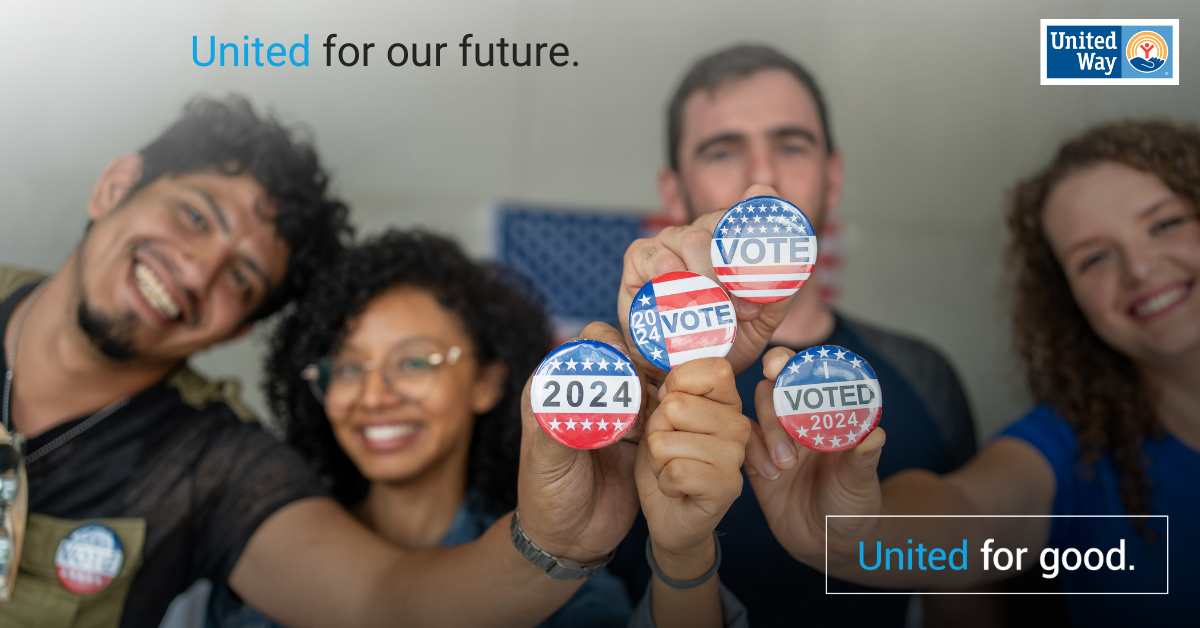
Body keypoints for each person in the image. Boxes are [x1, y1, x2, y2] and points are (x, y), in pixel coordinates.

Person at [0, 95, 748, 628]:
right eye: (195, 215)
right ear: (115, 185)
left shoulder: (221, 471)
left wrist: (557, 546)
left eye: (240, 280)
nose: (194, 272)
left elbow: (381, 602)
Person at [741, 120, 1200, 624]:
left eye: (1165, 224)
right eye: (1094, 259)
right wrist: (853, 537)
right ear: (1068, 299)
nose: (1139, 268)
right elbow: (965, 518)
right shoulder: (1072, 450)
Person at [609, 44, 979, 625]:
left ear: (832, 176)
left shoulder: (923, 374)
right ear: (673, 191)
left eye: (790, 144)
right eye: (722, 150)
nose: (763, 176)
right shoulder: (625, 387)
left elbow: (964, 585)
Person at [207, 230, 746, 627]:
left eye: (414, 362)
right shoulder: (259, 549)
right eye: (349, 368)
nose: (371, 396)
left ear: (489, 381)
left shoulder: (572, 595)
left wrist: (683, 558)